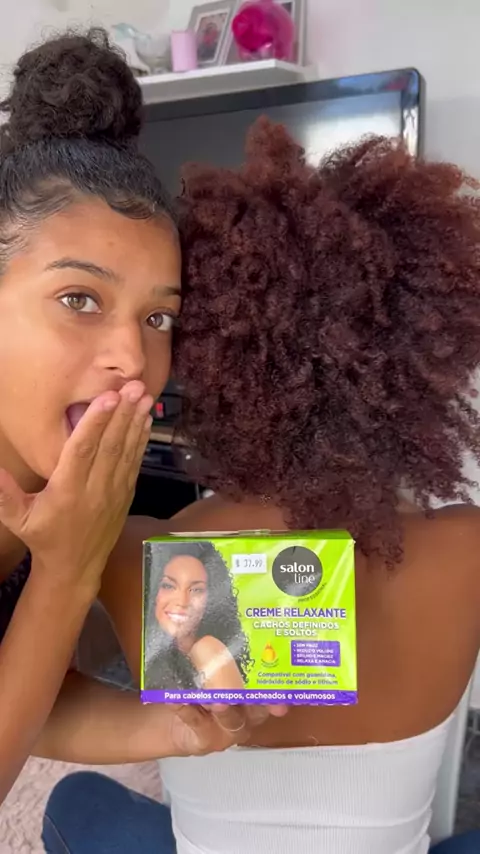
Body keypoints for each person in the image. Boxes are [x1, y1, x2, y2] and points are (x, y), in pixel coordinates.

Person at [46, 119, 480, 853]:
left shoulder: (137, 554)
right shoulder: (468, 543)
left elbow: (45, 693)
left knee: (70, 799)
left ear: (209, 357)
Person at [0, 30, 283, 809]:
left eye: (159, 318)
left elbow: (23, 687)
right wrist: (68, 571)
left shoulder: (63, 484)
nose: (133, 358)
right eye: (79, 299)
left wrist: (177, 729)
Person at [144, 540, 250, 691]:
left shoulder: (208, 649)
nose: (182, 601)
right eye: (169, 586)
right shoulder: (159, 653)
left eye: (196, 590)